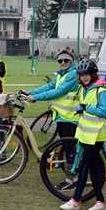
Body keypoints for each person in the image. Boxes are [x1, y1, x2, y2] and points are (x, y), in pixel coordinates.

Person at [22, 47, 80, 189]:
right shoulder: (62, 75)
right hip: (62, 117)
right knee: (67, 147)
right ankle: (71, 177)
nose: (63, 62)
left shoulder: (72, 74)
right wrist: (30, 92)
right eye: (60, 60)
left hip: (70, 117)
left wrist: (34, 97)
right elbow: (49, 86)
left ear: (71, 61)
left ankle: (73, 179)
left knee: (70, 147)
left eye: (66, 60)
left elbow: (57, 92)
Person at [60, 59, 106, 210]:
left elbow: (104, 111)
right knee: (93, 168)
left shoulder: (101, 91)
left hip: (96, 135)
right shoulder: (83, 89)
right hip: (85, 134)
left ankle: (76, 200)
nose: (84, 77)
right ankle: (100, 201)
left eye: (87, 74)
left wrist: (87, 107)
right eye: (81, 75)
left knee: (83, 167)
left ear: (93, 74)